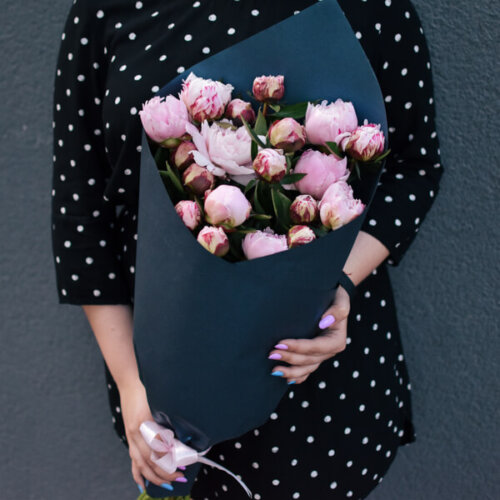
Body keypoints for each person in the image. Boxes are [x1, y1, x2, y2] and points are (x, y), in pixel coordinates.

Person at [50, 0, 444, 498]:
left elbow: (414, 167)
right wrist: (134, 389)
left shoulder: (370, 6)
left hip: (318, 377)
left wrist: (339, 285)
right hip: (160, 385)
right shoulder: (106, 10)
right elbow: (81, 211)